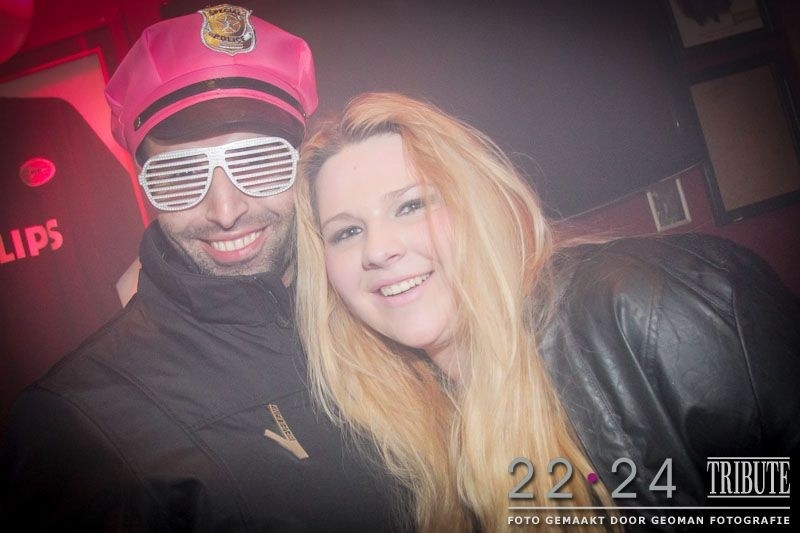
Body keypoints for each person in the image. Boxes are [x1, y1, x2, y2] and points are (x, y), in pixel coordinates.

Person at [293, 92, 800, 532]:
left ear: (479, 203)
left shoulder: (652, 309)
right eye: (347, 231)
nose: (378, 249)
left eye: (411, 205)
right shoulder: (396, 429)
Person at [0, 7, 401, 531]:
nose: (226, 210)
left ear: (303, 163)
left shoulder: (389, 309)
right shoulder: (78, 425)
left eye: (257, 161)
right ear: (143, 183)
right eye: (181, 174)